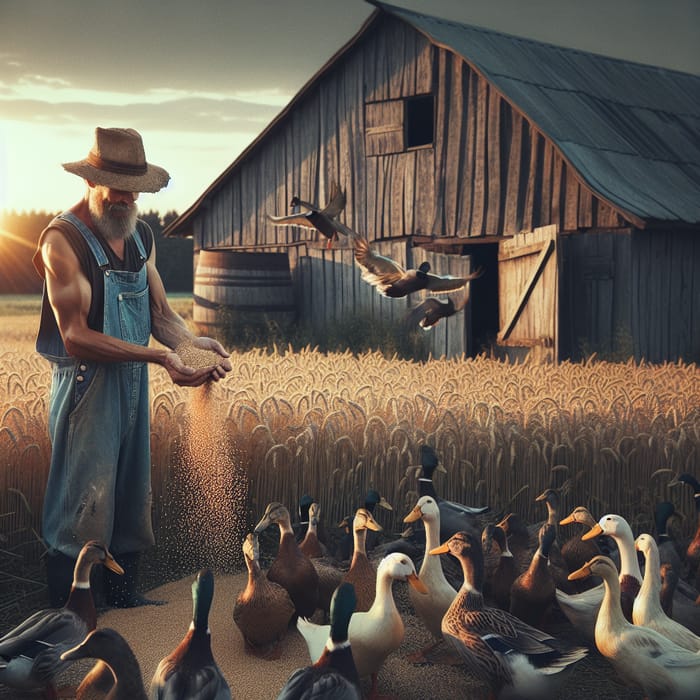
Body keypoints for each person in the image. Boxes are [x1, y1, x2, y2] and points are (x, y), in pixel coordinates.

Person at [32, 126, 233, 608]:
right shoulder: (63, 241)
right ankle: (71, 614)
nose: (126, 199)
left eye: (134, 190)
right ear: (91, 182)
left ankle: (126, 604)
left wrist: (190, 347)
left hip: (133, 383)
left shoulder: (140, 237)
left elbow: (161, 315)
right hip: (85, 389)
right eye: (116, 188)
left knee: (128, 496)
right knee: (83, 504)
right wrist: (160, 357)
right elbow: (75, 336)